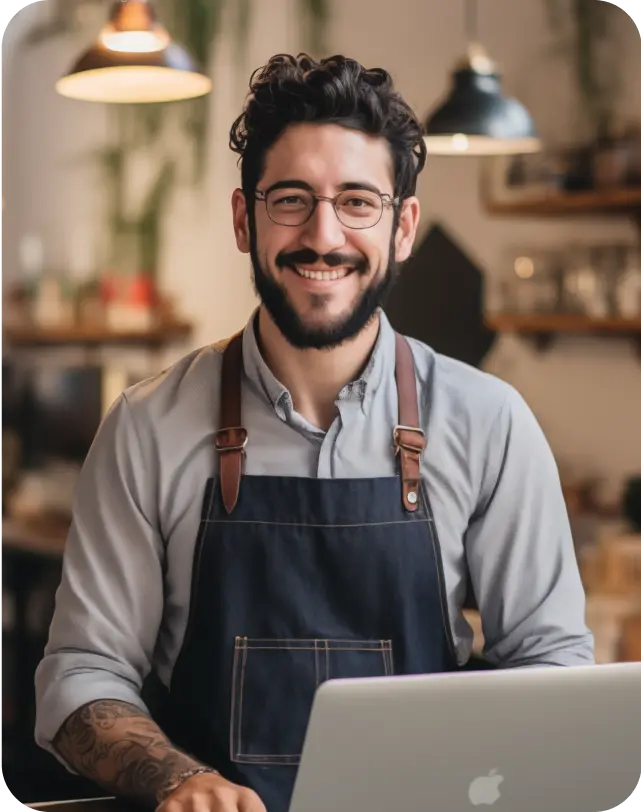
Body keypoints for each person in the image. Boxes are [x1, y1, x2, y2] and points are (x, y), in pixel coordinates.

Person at [34, 53, 593, 812]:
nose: (322, 236)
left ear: (403, 228)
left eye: (357, 201)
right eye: (291, 199)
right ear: (245, 219)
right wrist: (177, 779)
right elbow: (80, 675)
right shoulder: (146, 427)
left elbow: (552, 669)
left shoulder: (489, 423)